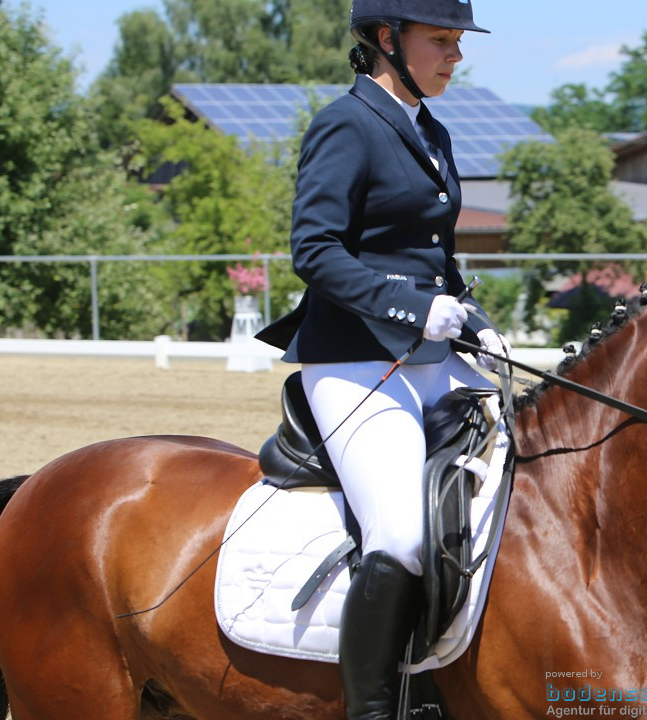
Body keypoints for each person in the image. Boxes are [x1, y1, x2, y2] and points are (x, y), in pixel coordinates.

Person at [255, 1, 507, 717]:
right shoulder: (346, 123)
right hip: (357, 362)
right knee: (399, 534)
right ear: (387, 40)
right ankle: (371, 709)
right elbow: (315, 251)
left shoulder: (433, 130)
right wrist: (409, 307)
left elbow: (437, 261)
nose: (455, 56)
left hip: (434, 357)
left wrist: (472, 321)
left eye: (458, 42)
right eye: (442, 41)